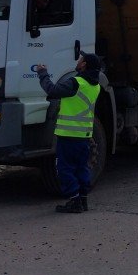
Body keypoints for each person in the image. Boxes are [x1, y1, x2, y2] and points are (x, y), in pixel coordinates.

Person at [36, 51, 102, 213]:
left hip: (68, 136)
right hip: (84, 136)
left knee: (65, 169)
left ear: (84, 65)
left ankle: (74, 201)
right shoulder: (96, 86)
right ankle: (83, 200)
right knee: (82, 168)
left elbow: (51, 90)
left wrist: (42, 73)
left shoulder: (76, 83)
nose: (78, 61)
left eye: (81, 59)